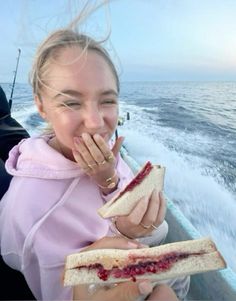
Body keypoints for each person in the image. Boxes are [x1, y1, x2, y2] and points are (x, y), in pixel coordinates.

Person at [0, 29, 189, 300]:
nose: (96, 122)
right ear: (41, 106)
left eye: (108, 100)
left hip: (118, 243)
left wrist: (108, 180)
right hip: (95, 279)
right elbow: (64, 291)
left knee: (165, 233)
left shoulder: (106, 156)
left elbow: (116, 196)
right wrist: (123, 231)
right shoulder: (32, 209)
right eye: (71, 102)